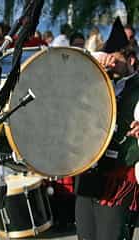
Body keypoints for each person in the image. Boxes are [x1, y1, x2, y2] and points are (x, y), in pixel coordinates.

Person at [75, 17, 139, 240]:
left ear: (131, 58)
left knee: (109, 236)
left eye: (116, 59)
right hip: (90, 169)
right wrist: (97, 65)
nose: (110, 64)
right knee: (85, 234)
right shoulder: (98, 81)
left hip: (120, 171)